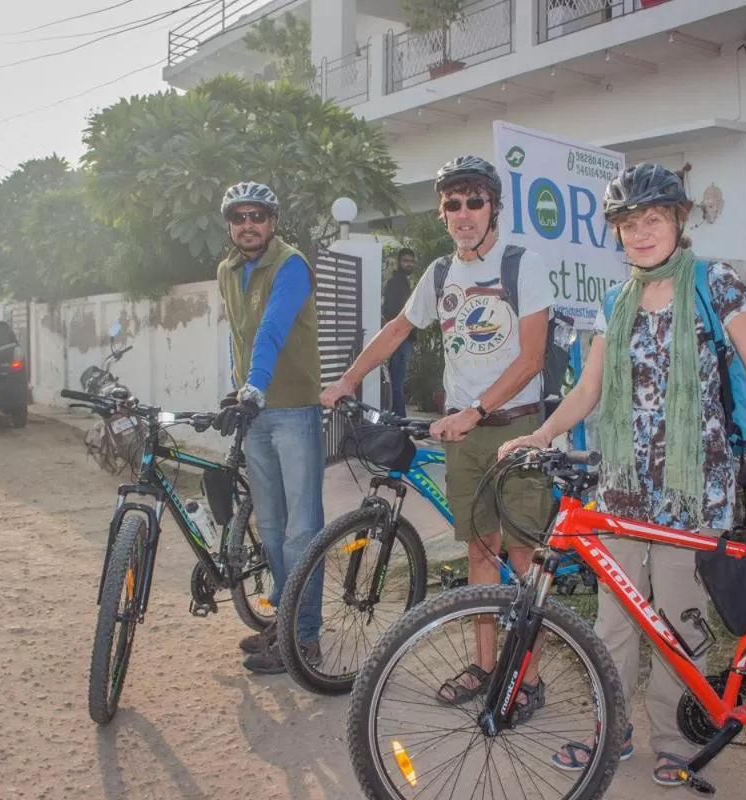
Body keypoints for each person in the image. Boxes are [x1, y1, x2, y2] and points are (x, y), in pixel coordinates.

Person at [498, 162, 746, 785]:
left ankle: (672, 736)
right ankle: (610, 731)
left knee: (678, 619)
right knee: (615, 621)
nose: (640, 233)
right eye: (628, 224)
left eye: (652, 220)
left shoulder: (715, 284)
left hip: (694, 489)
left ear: (678, 220)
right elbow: (589, 388)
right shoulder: (615, 302)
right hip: (623, 486)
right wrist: (542, 433)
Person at [320, 155, 554, 721]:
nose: (464, 213)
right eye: (453, 204)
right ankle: (484, 665)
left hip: (517, 427)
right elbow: (398, 328)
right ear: (443, 214)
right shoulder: (440, 273)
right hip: (463, 434)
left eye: (475, 201)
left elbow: (531, 359)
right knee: (479, 549)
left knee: (523, 555)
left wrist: (475, 410)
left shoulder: (523, 264)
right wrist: (349, 379)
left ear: (494, 207)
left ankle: (529, 678)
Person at [213, 181, 325, 675]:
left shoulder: (291, 265)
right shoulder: (227, 271)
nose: (248, 225)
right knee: (273, 528)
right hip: (255, 412)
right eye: (238, 217)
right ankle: (285, 623)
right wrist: (239, 388)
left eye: (257, 216)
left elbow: (271, 330)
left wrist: (254, 385)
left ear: (273, 222)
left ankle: (305, 638)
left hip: (294, 411)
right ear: (230, 225)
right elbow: (238, 338)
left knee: (302, 530)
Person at [382, 248, 417, 417]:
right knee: (397, 380)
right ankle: (398, 417)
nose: (409, 264)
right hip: (400, 338)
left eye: (411, 261)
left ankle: (397, 416)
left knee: (398, 380)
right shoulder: (395, 283)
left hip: (404, 338)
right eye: (405, 261)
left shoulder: (403, 283)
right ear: (399, 262)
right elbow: (389, 310)